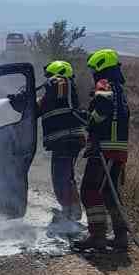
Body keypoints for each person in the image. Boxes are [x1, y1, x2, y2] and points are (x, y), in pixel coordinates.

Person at [73, 47, 130, 256]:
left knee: (89, 190)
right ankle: (121, 236)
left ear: (100, 67)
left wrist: (89, 121)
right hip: (118, 149)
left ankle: (97, 236)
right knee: (109, 193)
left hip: (105, 149)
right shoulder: (119, 89)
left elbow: (103, 109)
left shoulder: (104, 84)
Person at [36, 60, 85, 227]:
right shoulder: (51, 95)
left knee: (62, 177)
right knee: (62, 177)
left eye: (50, 75)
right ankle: (70, 210)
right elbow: (35, 109)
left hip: (68, 139)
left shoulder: (64, 84)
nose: (49, 78)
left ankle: (71, 212)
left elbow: (59, 84)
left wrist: (51, 80)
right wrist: (18, 101)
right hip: (62, 141)